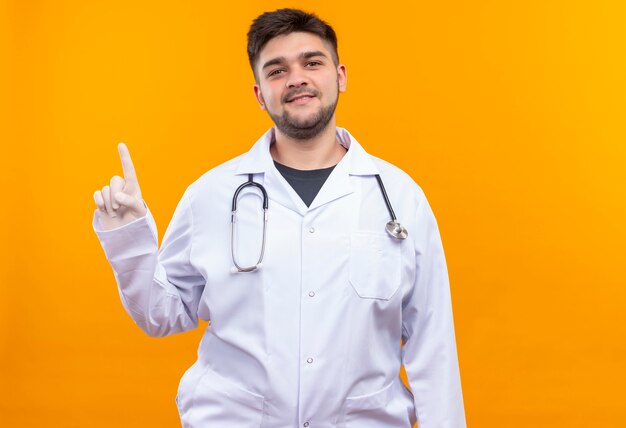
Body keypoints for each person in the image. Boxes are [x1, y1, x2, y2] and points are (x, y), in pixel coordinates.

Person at [93, 8, 466, 428]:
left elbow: (432, 345)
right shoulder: (211, 196)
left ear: (340, 76)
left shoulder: (400, 198)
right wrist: (128, 239)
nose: (296, 79)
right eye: (277, 70)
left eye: (312, 62)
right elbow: (163, 314)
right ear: (259, 94)